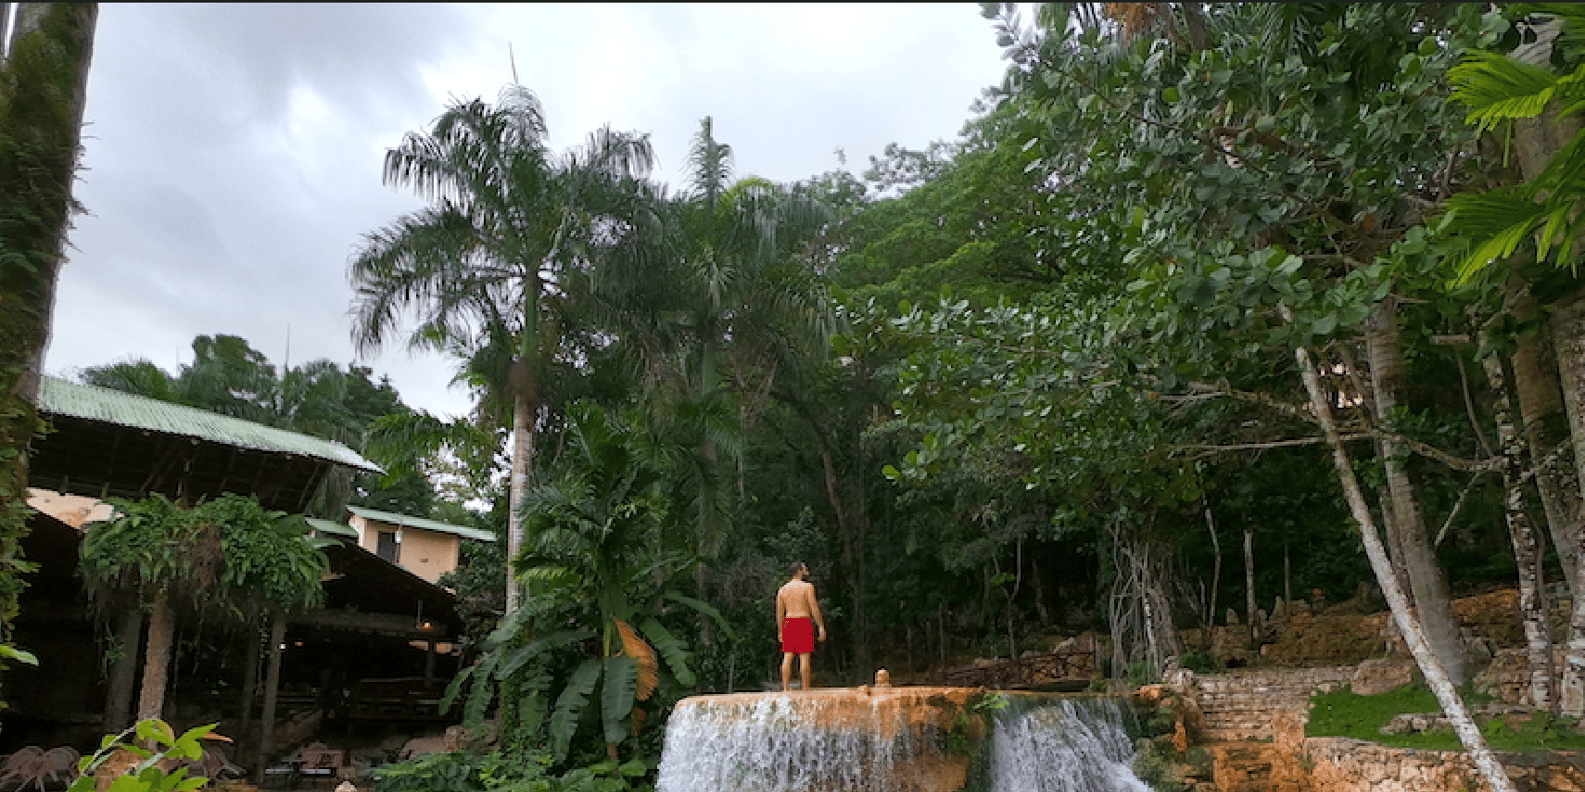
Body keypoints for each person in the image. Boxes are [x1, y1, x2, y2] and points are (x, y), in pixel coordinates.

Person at [776, 561, 826, 691]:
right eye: (804, 568)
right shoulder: (807, 587)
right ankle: (805, 687)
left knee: (788, 655)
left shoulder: (783, 590)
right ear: (799, 571)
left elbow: (779, 613)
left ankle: (786, 687)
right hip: (803, 620)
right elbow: (814, 607)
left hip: (789, 621)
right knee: (804, 656)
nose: (806, 570)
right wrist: (820, 625)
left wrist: (780, 630)